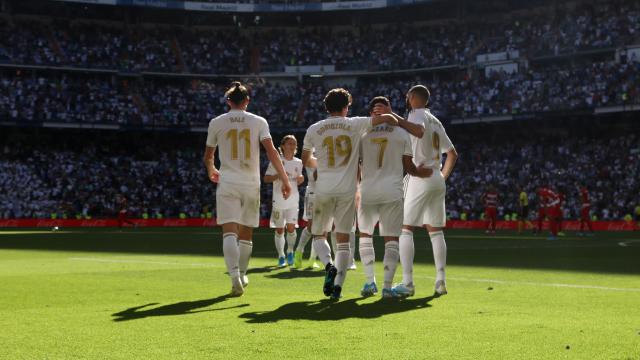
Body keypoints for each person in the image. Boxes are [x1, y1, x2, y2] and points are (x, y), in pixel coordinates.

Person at [301, 88, 398, 300]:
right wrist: (388, 111)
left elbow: (306, 160)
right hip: (347, 190)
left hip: (323, 188)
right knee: (344, 241)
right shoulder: (355, 123)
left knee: (319, 235)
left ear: (327, 107)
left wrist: (323, 163)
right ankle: (337, 287)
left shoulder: (314, 128)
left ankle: (328, 265)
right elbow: (389, 118)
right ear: (346, 107)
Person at [204, 81, 291, 296]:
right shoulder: (258, 121)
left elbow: (208, 156)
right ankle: (242, 273)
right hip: (251, 182)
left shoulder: (216, 122)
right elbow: (272, 152)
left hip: (228, 181)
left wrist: (211, 169)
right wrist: (285, 179)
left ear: (228, 101)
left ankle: (234, 277)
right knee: (246, 233)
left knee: (229, 232)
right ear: (247, 101)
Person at [357, 96, 432, 298]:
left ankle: (368, 282)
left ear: (371, 114)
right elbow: (409, 168)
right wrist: (422, 173)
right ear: (388, 110)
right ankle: (387, 287)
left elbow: (356, 167)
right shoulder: (401, 134)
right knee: (391, 239)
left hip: (367, 190)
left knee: (365, 235)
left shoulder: (362, 133)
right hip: (392, 190)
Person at [394, 85, 458, 298]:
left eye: (407, 96)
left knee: (405, 228)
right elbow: (452, 154)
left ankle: (408, 283)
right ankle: (441, 281)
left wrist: (394, 117)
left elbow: (418, 131)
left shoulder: (416, 114)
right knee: (435, 231)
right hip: (436, 178)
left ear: (412, 98)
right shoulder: (436, 120)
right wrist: (442, 177)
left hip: (420, 176)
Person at [264, 135, 304, 267]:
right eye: (289, 143)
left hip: (293, 200)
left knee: (291, 229)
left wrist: (301, 178)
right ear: (283, 146)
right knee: (280, 230)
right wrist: (278, 175)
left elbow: (299, 178)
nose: (292, 146)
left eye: (294, 143)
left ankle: (290, 251)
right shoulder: (276, 161)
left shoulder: (298, 162)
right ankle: (281, 255)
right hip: (278, 200)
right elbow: (266, 179)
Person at [293, 159, 321, 269]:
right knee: (311, 226)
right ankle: (299, 251)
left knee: (323, 228)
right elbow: (314, 176)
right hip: (313, 193)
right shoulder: (311, 154)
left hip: (328, 193)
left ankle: (313, 258)